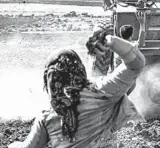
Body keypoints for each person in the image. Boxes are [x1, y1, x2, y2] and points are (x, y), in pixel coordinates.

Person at [9, 35, 146, 148]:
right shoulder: (101, 92)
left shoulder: (47, 117)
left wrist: (13, 145)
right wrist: (111, 41)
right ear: (80, 70)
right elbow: (136, 64)